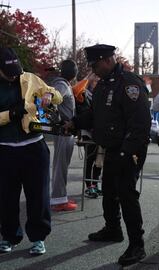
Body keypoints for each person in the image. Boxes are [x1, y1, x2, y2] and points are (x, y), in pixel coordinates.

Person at [63, 44, 151, 267]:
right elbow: (94, 114)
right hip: (111, 149)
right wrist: (74, 122)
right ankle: (113, 229)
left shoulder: (130, 83)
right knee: (110, 191)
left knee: (127, 195)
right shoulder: (104, 84)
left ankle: (137, 245)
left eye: (95, 64)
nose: (93, 69)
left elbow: (140, 123)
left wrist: (126, 151)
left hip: (128, 150)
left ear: (108, 60)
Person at [0, 48, 63, 255]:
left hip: (34, 146)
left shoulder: (30, 78)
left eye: (16, 70)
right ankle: (9, 237)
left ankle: (38, 238)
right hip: (5, 150)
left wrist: (48, 93)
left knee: (38, 197)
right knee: (6, 198)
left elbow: (58, 97)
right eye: (9, 72)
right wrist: (11, 114)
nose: (14, 75)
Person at [49, 59, 78, 211]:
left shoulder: (64, 84)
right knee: (60, 166)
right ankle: (58, 200)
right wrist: (59, 121)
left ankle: (60, 197)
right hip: (63, 130)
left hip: (66, 131)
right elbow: (51, 100)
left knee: (62, 165)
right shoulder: (61, 85)